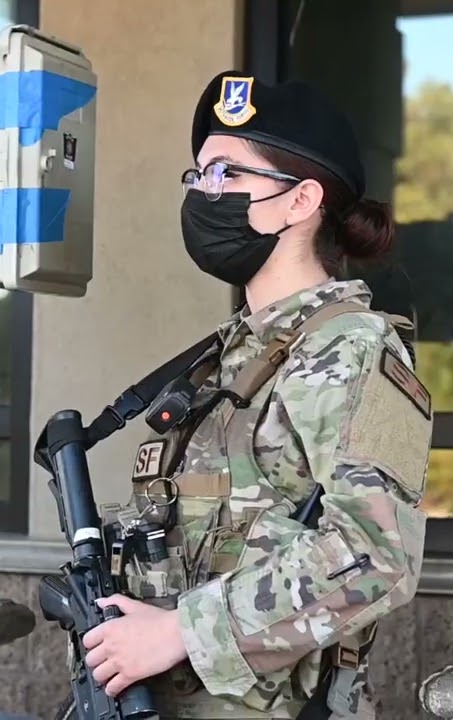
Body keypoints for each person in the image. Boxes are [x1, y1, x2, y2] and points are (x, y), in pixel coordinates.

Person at [77, 70, 434, 719]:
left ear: (301, 201)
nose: (202, 193)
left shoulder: (350, 349)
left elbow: (376, 556)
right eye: (198, 176)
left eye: (226, 175)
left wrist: (178, 632)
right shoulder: (230, 355)